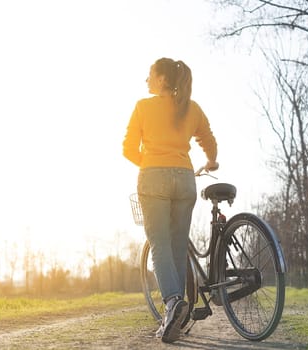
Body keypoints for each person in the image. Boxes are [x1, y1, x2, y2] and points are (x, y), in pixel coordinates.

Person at [122, 58, 218, 343]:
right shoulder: (192, 107)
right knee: (177, 245)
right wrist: (211, 161)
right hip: (185, 178)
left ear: (162, 80)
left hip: (153, 178)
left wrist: (150, 163)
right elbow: (208, 140)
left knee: (159, 244)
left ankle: (174, 302)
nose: (146, 80)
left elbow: (128, 148)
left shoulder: (143, 106)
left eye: (149, 75)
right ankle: (177, 313)